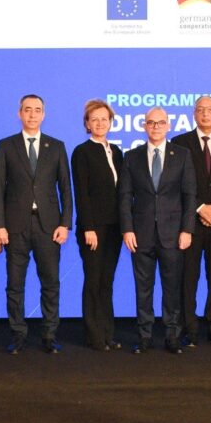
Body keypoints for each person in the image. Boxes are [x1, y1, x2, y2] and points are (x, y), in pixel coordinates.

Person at [0, 94, 72, 354]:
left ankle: (49, 335)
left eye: (37, 110)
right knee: (15, 284)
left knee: (50, 283)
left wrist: (65, 224)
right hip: (14, 226)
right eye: (27, 110)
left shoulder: (56, 146)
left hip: (48, 226)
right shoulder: (6, 145)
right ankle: (18, 334)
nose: (32, 114)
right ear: (19, 113)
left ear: (43, 115)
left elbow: (66, 189)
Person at [120, 106, 196, 354]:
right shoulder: (132, 156)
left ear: (168, 126)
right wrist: (127, 229)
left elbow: (189, 195)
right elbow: (125, 196)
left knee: (172, 288)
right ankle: (144, 335)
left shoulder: (182, 155)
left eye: (160, 122)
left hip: (173, 234)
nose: (155, 127)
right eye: (151, 123)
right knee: (143, 288)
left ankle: (172, 335)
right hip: (140, 233)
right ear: (144, 126)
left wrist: (187, 230)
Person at [171, 96, 211, 349]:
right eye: (200, 110)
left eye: (210, 110)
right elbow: (175, 183)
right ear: (194, 114)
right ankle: (190, 329)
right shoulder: (179, 143)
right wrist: (200, 207)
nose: (205, 114)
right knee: (189, 278)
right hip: (190, 222)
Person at [71, 99, 124, 351]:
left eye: (104, 119)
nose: (100, 123)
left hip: (115, 227)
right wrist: (88, 228)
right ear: (87, 124)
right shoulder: (82, 152)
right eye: (95, 120)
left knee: (106, 281)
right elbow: (81, 193)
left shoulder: (117, 151)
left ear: (111, 122)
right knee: (93, 281)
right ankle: (94, 336)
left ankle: (107, 334)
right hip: (93, 228)